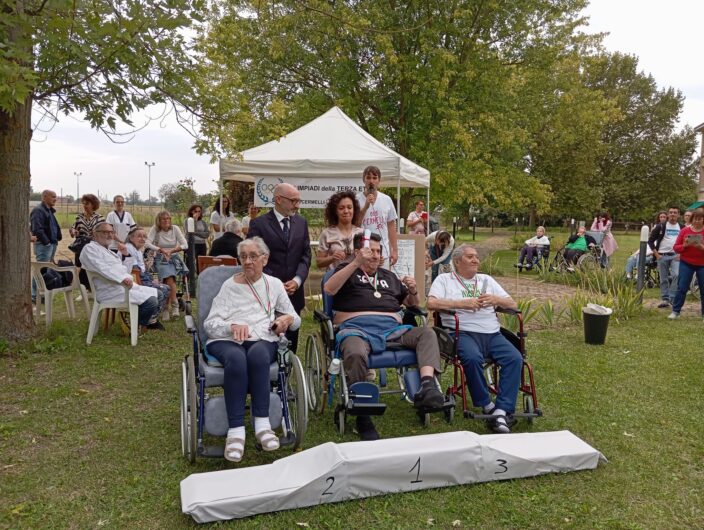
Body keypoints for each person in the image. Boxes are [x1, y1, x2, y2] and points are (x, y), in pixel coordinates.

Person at [323, 232, 444, 441]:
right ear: (358, 251)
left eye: (379, 251)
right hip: (356, 328)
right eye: (371, 251)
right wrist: (354, 263)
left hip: (392, 329)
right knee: (354, 351)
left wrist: (413, 291)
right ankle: (363, 413)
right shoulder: (345, 270)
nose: (376, 256)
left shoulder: (388, 276)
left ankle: (427, 387)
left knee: (427, 333)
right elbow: (329, 289)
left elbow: (412, 305)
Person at [204, 237, 301, 462]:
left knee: (258, 355)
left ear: (264, 259)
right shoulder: (229, 286)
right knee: (237, 359)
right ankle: (236, 432)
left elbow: (295, 319)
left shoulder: (274, 284)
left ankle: (262, 425)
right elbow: (210, 324)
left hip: (261, 337)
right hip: (227, 340)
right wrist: (231, 326)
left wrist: (285, 320)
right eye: (244, 257)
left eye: (253, 256)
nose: (248, 261)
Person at [427, 244, 522, 434]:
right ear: (457, 261)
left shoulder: (486, 280)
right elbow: (431, 303)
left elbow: (513, 304)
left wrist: (496, 300)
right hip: (461, 332)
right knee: (472, 358)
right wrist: (461, 303)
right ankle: (486, 404)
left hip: (492, 333)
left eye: (476, 257)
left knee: (515, 358)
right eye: (470, 257)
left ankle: (502, 410)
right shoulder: (444, 280)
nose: (476, 260)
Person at [247, 183, 311, 353]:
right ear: (278, 199)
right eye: (293, 201)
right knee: (267, 335)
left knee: (291, 338)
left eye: (299, 201)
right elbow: (252, 257)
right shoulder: (259, 224)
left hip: (294, 292)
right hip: (266, 292)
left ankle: (288, 372)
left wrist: (297, 280)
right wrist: (275, 283)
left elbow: (306, 255)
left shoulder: (301, 223)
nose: (297, 205)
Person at [80, 223, 163, 330]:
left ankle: (135, 321)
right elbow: (102, 268)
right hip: (109, 290)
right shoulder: (90, 249)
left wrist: (125, 255)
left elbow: (125, 271)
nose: (109, 235)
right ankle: (133, 324)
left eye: (111, 232)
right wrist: (122, 279)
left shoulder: (109, 252)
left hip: (123, 286)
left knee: (159, 294)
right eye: (105, 232)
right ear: (95, 234)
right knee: (152, 302)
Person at [121, 226, 171, 321]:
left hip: (142, 278)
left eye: (144, 236)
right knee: (163, 290)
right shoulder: (129, 248)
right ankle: (148, 318)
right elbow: (134, 270)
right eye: (139, 236)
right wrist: (149, 282)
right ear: (131, 238)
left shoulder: (137, 250)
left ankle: (151, 317)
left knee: (166, 288)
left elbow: (142, 270)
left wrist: (152, 279)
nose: (143, 238)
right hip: (135, 281)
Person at [147, 210, 188, 318]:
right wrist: (160, 249)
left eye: (168, 218)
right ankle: (173, 305)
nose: (166, 221)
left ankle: (166, 307)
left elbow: (185, 245)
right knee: (169, 278)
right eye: (163, 219)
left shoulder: (175, 228)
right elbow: (147, 243)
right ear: (159, 221)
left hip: (173, 257)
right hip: (160, 257)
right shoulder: (155, 229)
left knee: (168, 278)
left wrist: (172, 251)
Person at [355, 165, 398, 267]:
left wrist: (395, 250)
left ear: (379, 180)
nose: (371, 181)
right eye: (368, 177)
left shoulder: (386, 199)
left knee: (383, 281)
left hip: (383, 253)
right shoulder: (356, 199)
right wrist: (365, 206)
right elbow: (355, 225)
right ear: (363, 180)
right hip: (363, 252)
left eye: (374, 178)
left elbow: (391, 226)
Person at [668, 208, 704, 320]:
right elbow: (676, 248)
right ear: (691, 219)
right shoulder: (684, 231)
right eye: (695, 219)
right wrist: (684, 246)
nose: (697, 221)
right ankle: (675, 311)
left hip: (702, 264)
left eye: (699, 219)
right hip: (686, 263)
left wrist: (701, 247)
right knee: (682, 287)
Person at [316, 190, 363, 270]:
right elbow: (319, 262)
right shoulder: (327, 233)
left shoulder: (361, 232)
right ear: (335, 211)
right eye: (341, 208)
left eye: (349, 207)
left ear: (354, 210)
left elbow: (367, 259)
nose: (346, 211)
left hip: (356, 280)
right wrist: (332, 258)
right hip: (334, 278)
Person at [30, 190, 62, 302]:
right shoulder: (38, 210)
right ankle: (34, 295)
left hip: (50, 244)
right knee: (40, 270)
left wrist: (57, 238)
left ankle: (42, 294)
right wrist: (47, 243)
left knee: (45, 270)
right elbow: (37, 229)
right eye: (53, 196)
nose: (55, 199)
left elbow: (54, 226)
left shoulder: (49, 211)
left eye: (56, 196)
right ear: (44, 197)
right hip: (44, 245)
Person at [648, 206, 682, 309]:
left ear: (678, 215)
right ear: (668, 214)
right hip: (662, 256)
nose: (672, 214)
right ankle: (665, 299)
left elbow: (686, 242)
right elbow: (650, 241)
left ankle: (672, 297)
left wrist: (681, 254)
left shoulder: (682, 227)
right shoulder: (661, 226)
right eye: (671, 212)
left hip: (675, 256)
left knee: (676, 275)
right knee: (663, 279)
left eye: (675, 213)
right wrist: (657, 255)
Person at [70, 194, 105, 288]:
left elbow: (104, 232)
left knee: (94, 267)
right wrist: (74, 231)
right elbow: (73, 229)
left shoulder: (100, 218)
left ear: (93, 204)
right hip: (81, 247)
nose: (85, 205)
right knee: (81, 267)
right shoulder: (79, 217)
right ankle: (84, 289)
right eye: (83, 203)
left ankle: (94, 288)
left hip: (94, 247)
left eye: (87, 203)